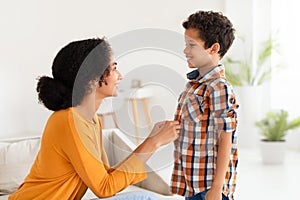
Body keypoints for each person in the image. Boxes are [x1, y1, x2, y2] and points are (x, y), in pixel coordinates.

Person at [9, 38, 180, 200]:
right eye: (113, 69)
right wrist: (153, 142)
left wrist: (152, 141)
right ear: (92, 78)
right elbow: (104, 188)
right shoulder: (69, 121)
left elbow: (107, 177)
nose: (119, 75)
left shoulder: (91, 120)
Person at [171, 11, 239, 200]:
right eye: (186, 45)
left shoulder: (219, 88)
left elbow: (226, 138)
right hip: (193, 183)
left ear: (213, 48)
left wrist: (217, 188)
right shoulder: (194, 86)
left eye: (192, 45)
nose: (186, 50)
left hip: (208, 188)